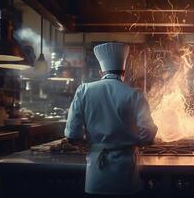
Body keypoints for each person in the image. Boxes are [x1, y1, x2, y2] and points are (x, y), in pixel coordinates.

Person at [64, 42, 158, 198]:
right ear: (124, 72)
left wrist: (90, 145)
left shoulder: (84, 90)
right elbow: (148, 134)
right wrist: (133, 141)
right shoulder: (134, 94)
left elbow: (73, 135)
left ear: (101, 72)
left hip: (96, 171)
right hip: (126, 173)